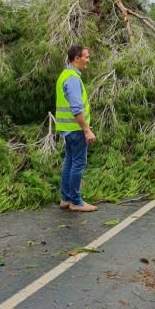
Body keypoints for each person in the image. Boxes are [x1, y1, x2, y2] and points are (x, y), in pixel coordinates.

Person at [55, 44, 98, 212]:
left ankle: (66, 198)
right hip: (76, 129)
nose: (88, 60)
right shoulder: (72, 78)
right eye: (86, 57)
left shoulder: (64, 75)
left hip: (67, 128)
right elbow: (76, 108)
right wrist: (86, 129)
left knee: (70, 162)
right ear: (76, 58)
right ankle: (76, 201)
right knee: (78, 163)